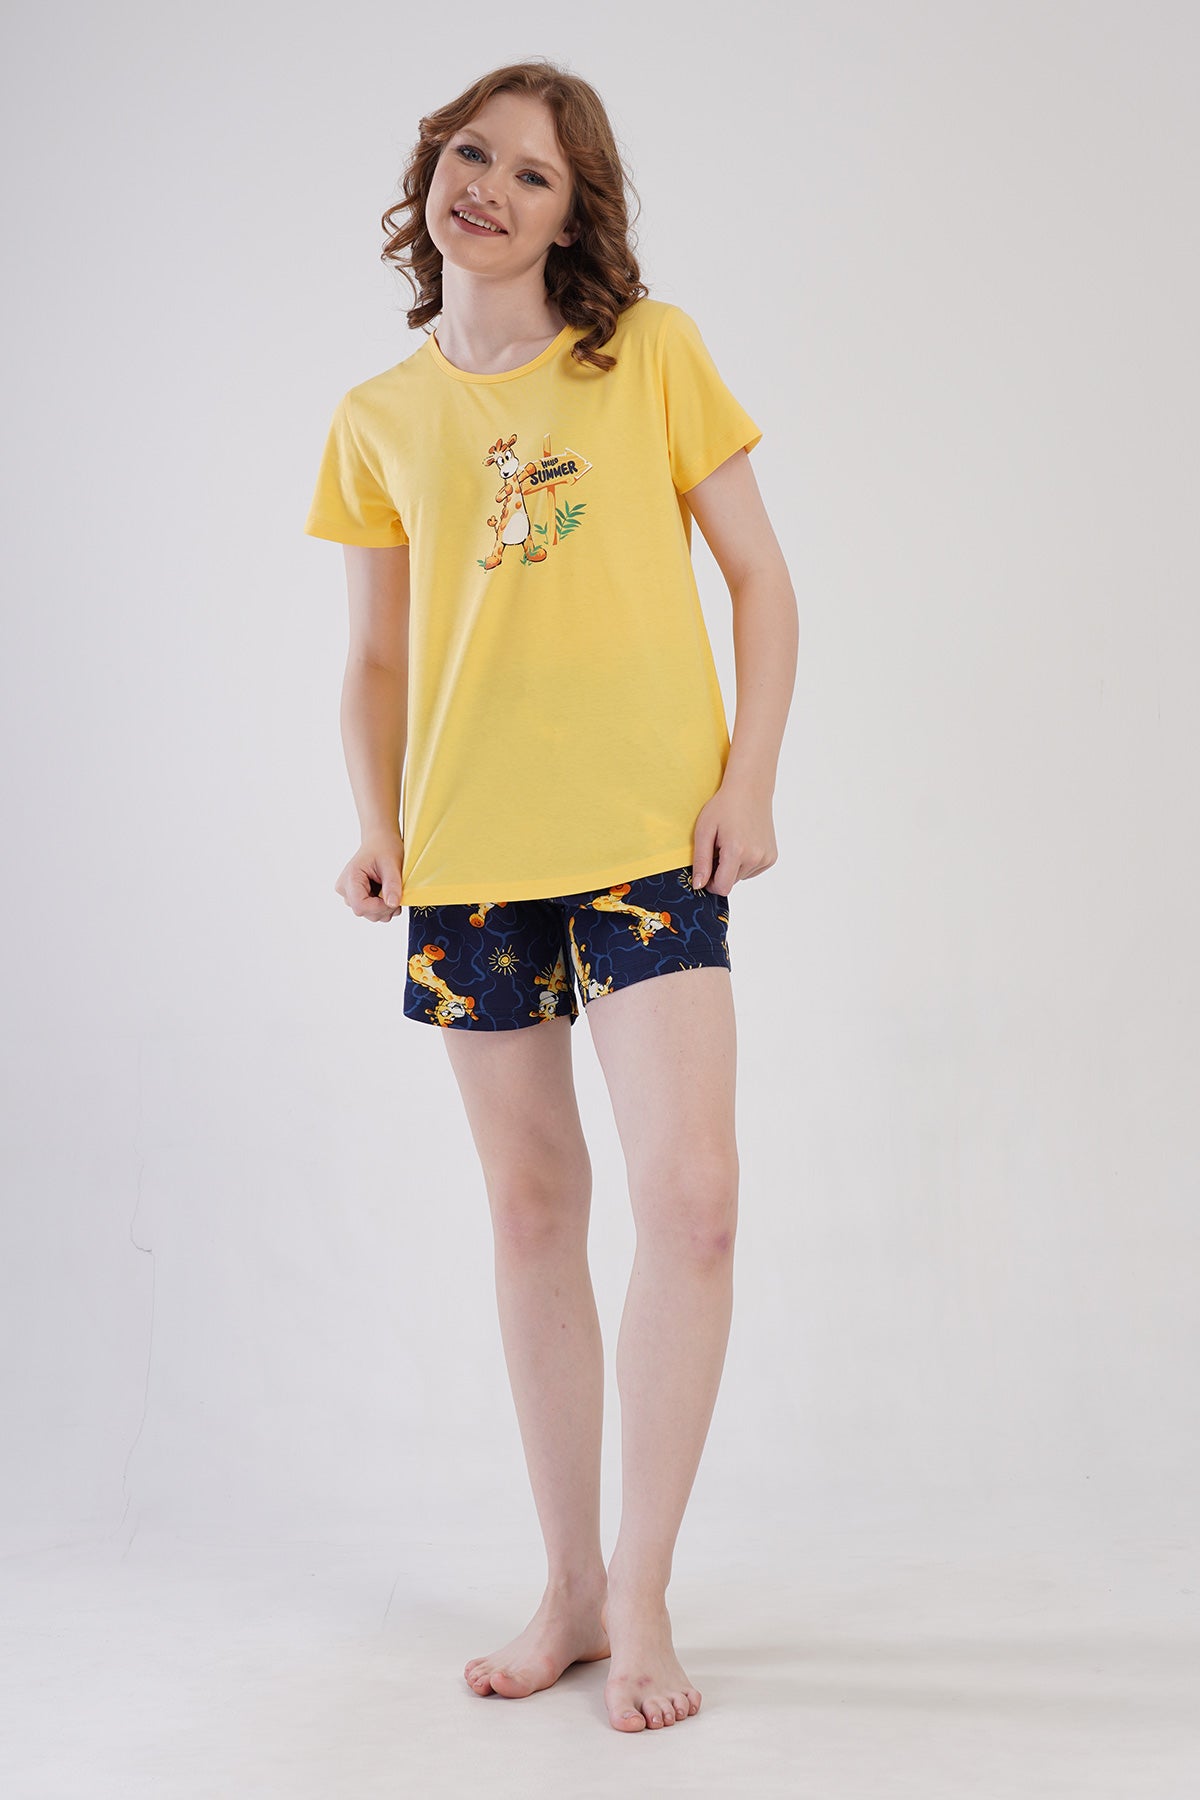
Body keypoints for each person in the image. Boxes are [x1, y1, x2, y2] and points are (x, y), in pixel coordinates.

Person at [304, 58, 798, 1735]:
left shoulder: (648, 354)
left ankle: (642, 1591)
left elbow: (762, 580)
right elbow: (377, 658)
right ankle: (570, 1588)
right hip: (469, 858)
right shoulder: (377, 416)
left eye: (533, 174)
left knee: (696, 1199)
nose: (490, 189)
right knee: (531, 1210)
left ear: (576, 215)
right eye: (471, 154)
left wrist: (748, 780)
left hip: (653, 840)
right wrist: (375, 824)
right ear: (429, 172)